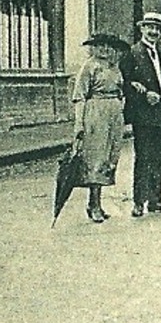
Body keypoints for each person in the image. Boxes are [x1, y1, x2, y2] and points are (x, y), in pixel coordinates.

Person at [68, 33, 130, 223]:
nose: (104, 49)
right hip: (95, 113)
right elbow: (79, 96)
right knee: (96, 157)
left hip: (114, 113)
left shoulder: (114, 67)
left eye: (107, 46)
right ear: (93, 48)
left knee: (110, 158)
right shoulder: (89, 66)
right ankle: (92, 204)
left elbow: (121, 91)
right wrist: (80, 123)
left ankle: (99, 203)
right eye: (99, 46)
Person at [119, 12, 161, 217]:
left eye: (157, 29)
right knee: (143, 157)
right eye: (149, 27)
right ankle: (138, 201)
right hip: (143, 114)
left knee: (158, 158)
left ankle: (155, 199)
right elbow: (125, 83)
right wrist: (142, 95)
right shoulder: (132, 53)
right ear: (141, 29)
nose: (153, 32)